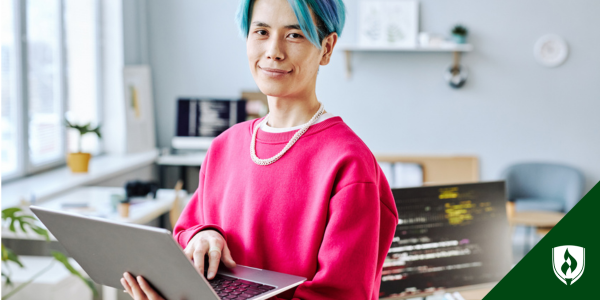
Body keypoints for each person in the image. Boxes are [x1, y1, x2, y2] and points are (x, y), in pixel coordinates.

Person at [121, 0, 398, 299]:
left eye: (295, 34)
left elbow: (342, 294)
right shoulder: (224, 147)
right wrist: (204, 235)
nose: (273, 51)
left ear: (327, 48)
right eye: (261, 31)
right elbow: (187, 230)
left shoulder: (349, 163)